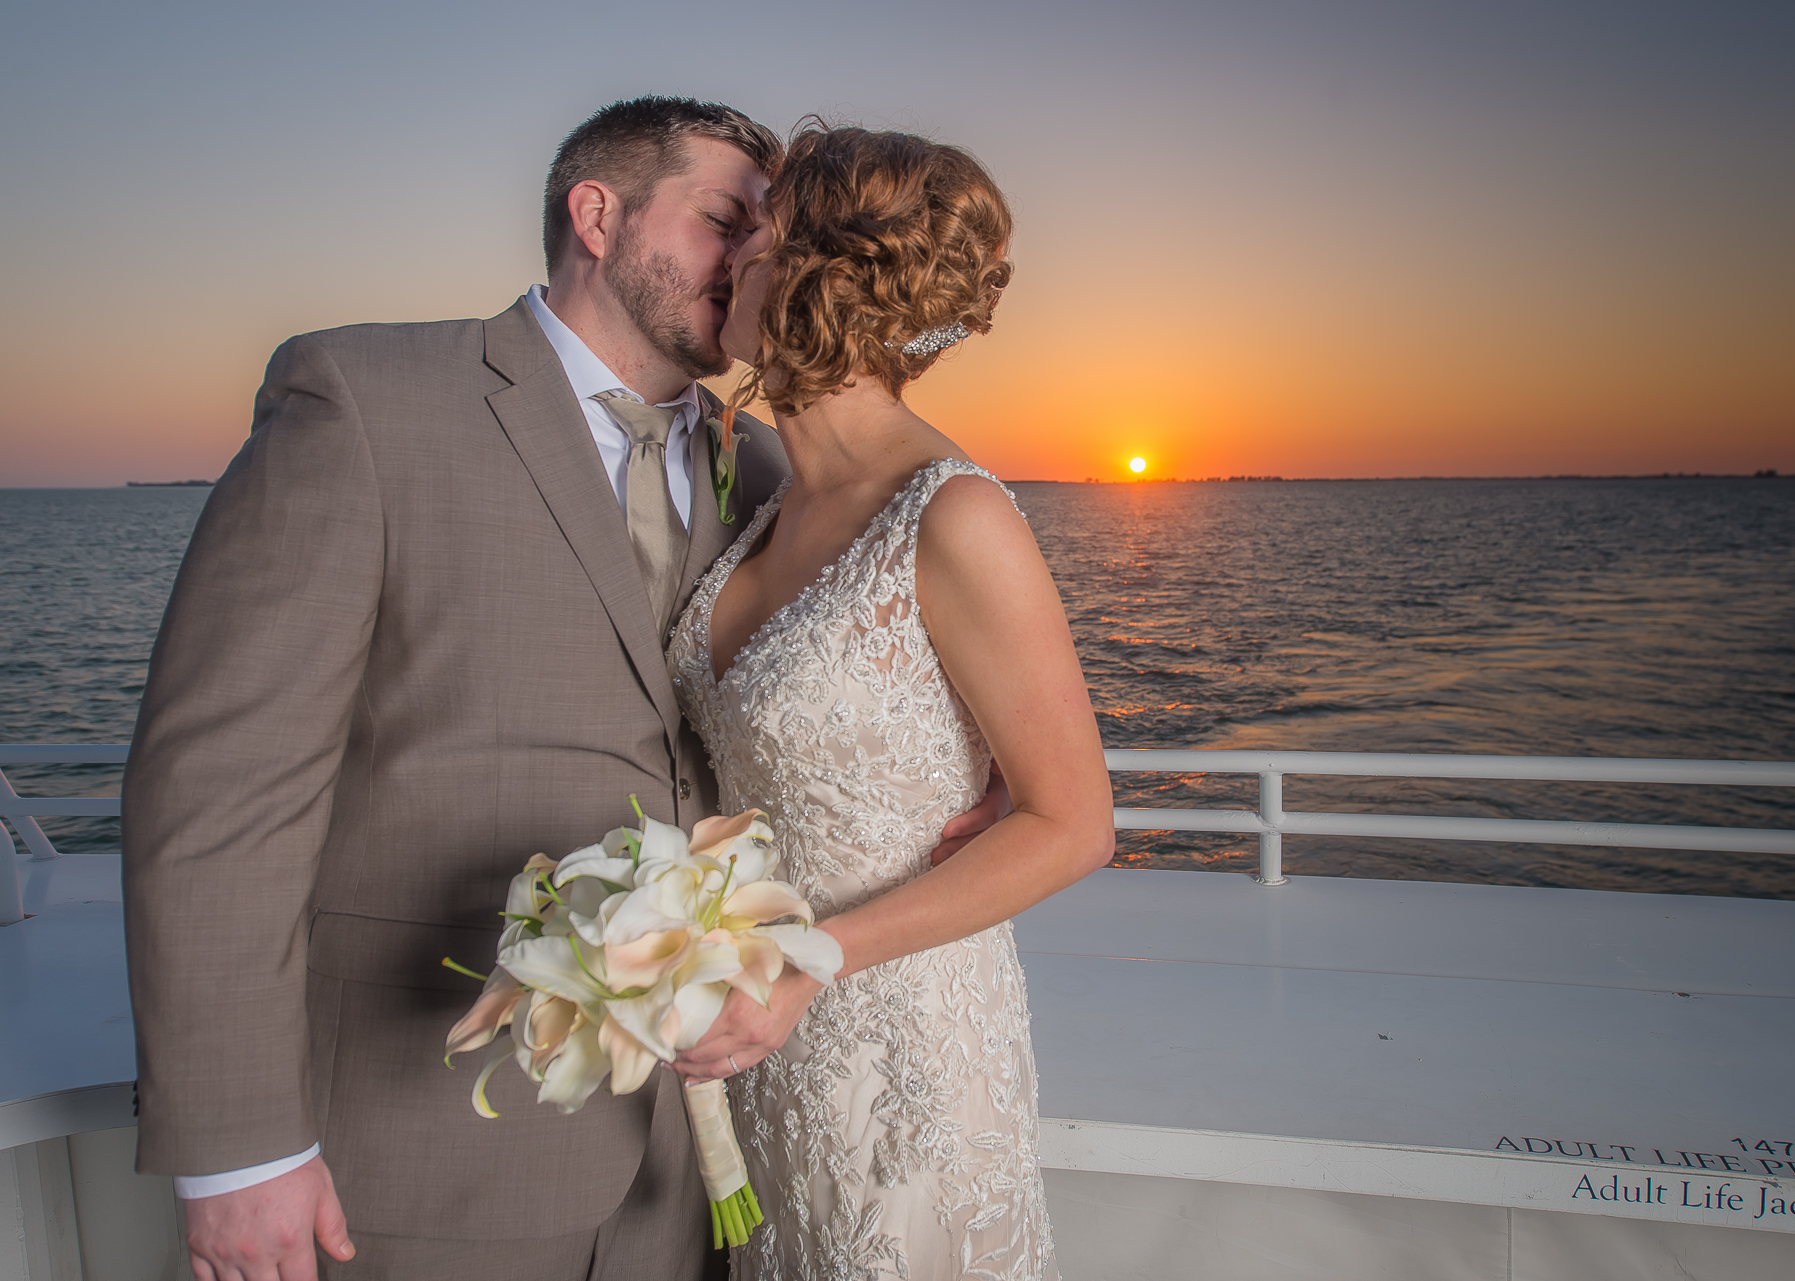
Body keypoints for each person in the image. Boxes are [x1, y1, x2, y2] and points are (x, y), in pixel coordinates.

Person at [121, 97, 1006, 1281]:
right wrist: (234, 1150)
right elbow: (218, 788)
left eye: (767, 232)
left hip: (695, 1149)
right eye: (721, 220)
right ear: (597, 215)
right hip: (420, 1133)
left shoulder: (771, 468)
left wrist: (973, 765)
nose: (752, 256)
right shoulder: (367, 401)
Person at [664, 126, 1115, 1280]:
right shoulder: (765, 494)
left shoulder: (956, 516)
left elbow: (1074, 824)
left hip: (901, 1038)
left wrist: (813, 960)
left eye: (748, 234)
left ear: (814, 274)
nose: (726, 261)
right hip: (764, 1049)